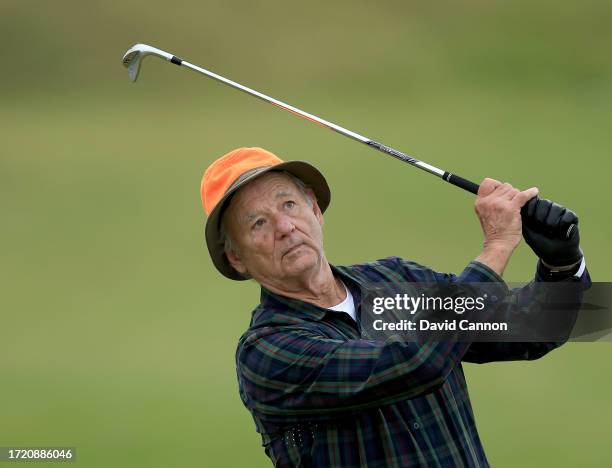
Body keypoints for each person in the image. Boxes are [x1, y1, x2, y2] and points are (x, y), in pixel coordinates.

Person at [199, 147, 589, 467]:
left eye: (288, 205)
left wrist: (563, 266)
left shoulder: (389, 285)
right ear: (237, 259)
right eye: (258, 224)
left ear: (315, 211)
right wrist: (496, 248)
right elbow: (414, 362)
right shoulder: (269, 351)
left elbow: (531, 331)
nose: (284, 227)